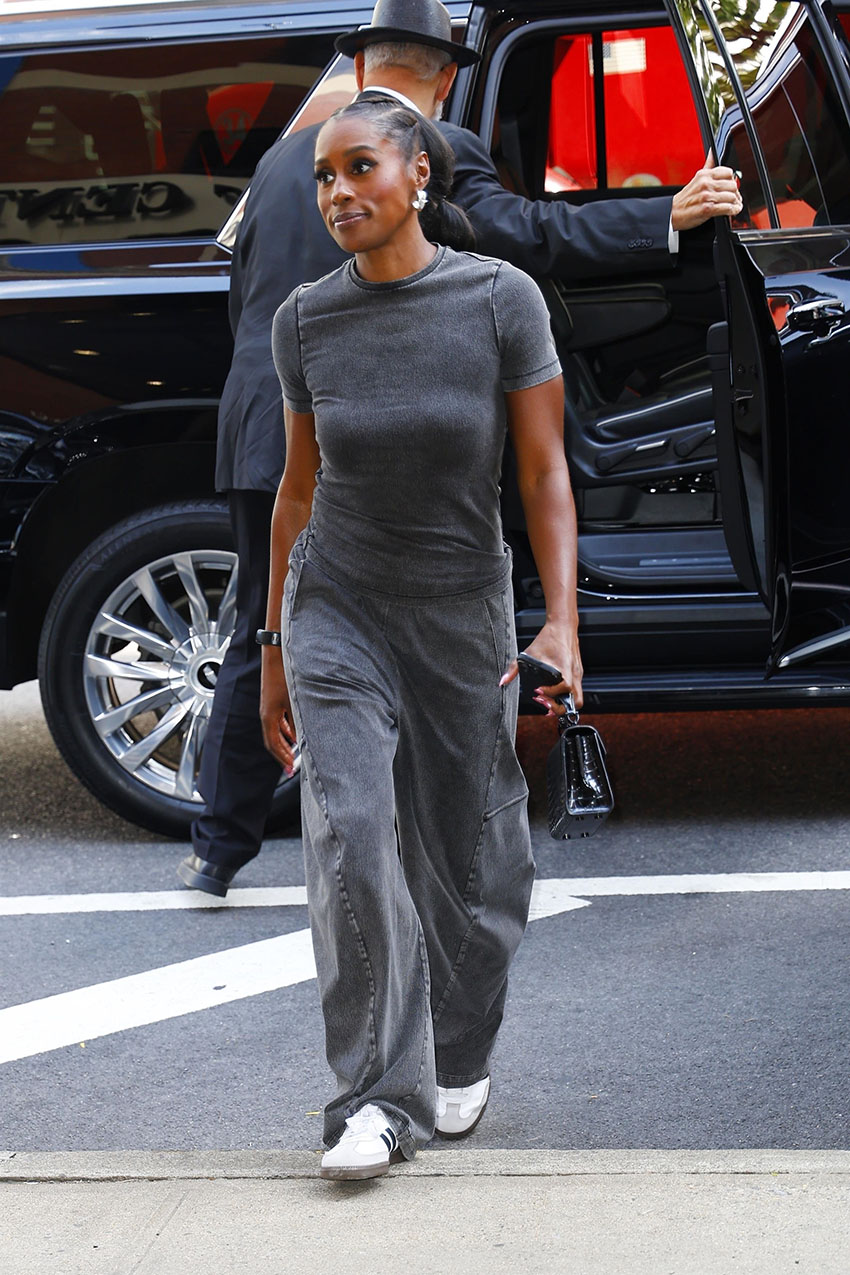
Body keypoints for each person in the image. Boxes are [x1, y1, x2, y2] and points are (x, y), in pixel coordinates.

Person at [177, 0, 742, 897]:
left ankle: (217, 846)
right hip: (368, 431)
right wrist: (662, 215)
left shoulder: (291, 157)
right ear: (446, 77)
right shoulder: (428, 148)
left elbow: (246, 293)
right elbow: (526, 236)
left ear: (363, 68)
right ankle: (426, 821)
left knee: (268, 616)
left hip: (262, 419)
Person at [260, 94, 581, 1179]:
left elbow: (541, 472)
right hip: (337, 604)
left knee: (478, 867)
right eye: (322, 178)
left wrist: (562, 621)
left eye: (358, 169)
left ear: (419, 177)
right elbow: (296, 494)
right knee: (351, 836)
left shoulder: (500, 299)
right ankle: (371, 1098)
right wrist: (270, 648)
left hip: (458, 614)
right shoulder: (304, 320)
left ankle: (461, 1046)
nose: (337, 193)